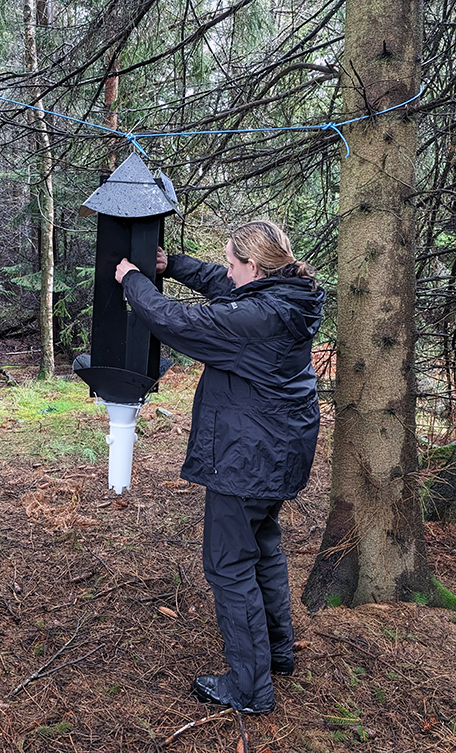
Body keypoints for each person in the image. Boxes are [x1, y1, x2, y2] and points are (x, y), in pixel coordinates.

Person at [114, 220, 325, 714]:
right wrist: (175, 266)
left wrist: (133, 280)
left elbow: (174, 323)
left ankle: (249, 687)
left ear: (253, 266)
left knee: (228, 565)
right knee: (263, 547)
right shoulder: (287, 294)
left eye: (232, 263)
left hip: (247, 456)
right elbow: (224, 288)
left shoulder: (254, 319)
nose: (226, 271)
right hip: (277, 450)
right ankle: (275, 651)